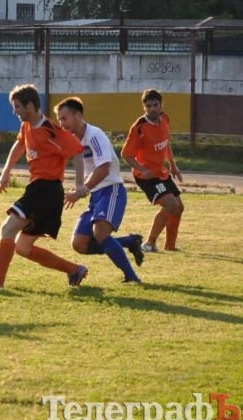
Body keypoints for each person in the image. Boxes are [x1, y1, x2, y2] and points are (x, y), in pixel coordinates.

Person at [0, 84, 89, 290]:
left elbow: (77, 150)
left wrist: (80, 185)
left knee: (7, 229)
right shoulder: (27, 126)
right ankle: (74, 270)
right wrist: (6, 171)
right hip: (42, 191)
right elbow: (20, 145)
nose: (14, 111)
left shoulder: (50, 130)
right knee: (22, 247)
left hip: (46, 190)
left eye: (17, 107)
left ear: (30, 105)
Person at [55, 97, 144, 283]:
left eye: (64, 118)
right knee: (79, 243)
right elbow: (84, 166)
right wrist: (80, 186)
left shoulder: (94, 135)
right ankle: (129, 242)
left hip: (111, 191)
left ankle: (132, 277)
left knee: (100, 233)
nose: (61, 123)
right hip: (96, 195)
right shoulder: (74, 140)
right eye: (59, 119)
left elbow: (104, 168)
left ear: (78, 115)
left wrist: (81, 190)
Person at [121, 89, 184, 252]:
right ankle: (149, 244)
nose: (152, 109)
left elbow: (165, 143)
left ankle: (170, 246)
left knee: (179, 207)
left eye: (155, 105)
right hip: (146, 177)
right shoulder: (140, 127)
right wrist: (142, 169)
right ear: (144, 107)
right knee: (171, 204)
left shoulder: (164, 118)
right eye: (148, 106)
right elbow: (126, 155)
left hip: (160, 172)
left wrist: (173, 165)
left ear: (161, 104)